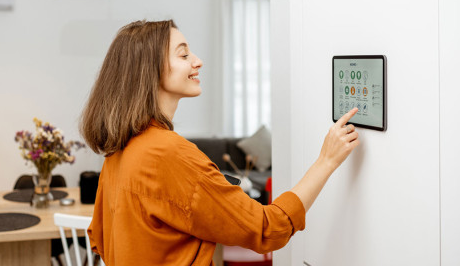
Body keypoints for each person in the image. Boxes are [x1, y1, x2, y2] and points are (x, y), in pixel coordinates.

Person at [79, 19, 359, 265]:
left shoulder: (119, 150)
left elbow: (100, 240)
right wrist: (326, 161)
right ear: (149, 70)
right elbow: (267, 228)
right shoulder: (168, 153)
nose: (197, 61)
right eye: (184, 54)